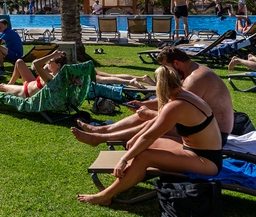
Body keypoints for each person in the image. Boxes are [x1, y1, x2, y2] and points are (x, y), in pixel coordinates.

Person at [76, 64, 223, 206]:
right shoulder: (185, 95)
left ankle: (105, 196)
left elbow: (149, 136)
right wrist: (135, 138)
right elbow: (153, 124)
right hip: (194, 150)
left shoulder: (175, 106)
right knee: (141, 146)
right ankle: (129, 171)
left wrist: (124, 159)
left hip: (206, 161)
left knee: (144, 156)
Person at [72, 47, 233, 147]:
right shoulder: (192, 73)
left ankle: (101, 137)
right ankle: (102, 130)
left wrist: (148, 111)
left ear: (176, 63)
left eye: (167, 67)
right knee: (145, 112)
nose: (167, 72)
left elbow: (177, 110)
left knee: (152, 121)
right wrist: (143, 104)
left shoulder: (195, 79)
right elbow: (173, 103)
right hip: (202, 128)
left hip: (213, 135)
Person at [0, 51, 67, 98]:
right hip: (31, 83)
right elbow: (39, 65)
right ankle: (10, 85)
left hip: (25, 92)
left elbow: (36, 64)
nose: (49, 63)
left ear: (58, 65)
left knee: (1, 86)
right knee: (19, 62)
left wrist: (52, 55)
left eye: (51, 62)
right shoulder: (55, 73)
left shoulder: (51, 77)